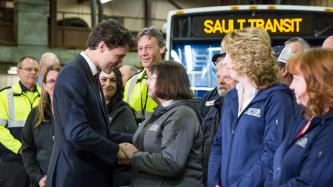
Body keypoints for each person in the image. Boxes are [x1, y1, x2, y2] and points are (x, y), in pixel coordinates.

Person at [46, 19, 134, 187]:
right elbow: (77, 132)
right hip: (75, 178)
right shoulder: (73, 74)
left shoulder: (90, 75)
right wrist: (117, 151)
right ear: (102, 46)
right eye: (119, 56)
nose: (120, 63)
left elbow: (99, 130)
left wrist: (138, 138)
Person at [208, 28, 295, 187]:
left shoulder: (277, 99)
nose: (225, 62)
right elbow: (218, 144)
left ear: (247, 57)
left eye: (229, 55)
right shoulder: (231, 97)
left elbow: (273, 153)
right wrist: (213, 182)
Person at [120, 61, 204, 187]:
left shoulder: (182, 115)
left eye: (152, 78)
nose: (147, 82)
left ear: (168, 81)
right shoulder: (161, 111)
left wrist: (134, 156)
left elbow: (172, 163)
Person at [272, 48, 333, 186]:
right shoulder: (307, 120)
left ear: (317, 82)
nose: (292, 86)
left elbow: (311, 182)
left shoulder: (329, 130)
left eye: (297, 79)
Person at [0, 56, 41, 187]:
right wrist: (20, 148)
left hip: (39, 162)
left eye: (36, 69)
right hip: (13, 161)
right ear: (18, 72)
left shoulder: (46, 96)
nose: (33, 73)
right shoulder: (5, 96)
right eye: (28, 69)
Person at [21, 65, 61, 187]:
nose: (56, 84)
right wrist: (37, 177)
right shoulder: (35, 115)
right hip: (43, 181)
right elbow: (27, 150)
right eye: (51, 81)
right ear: (44, 85)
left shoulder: (75, 113)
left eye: (59, 80)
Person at [201, 58, 237, 186]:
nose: (221, 81)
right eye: (218, 77)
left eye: (227, 77)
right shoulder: (214, 106)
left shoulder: (243, 108)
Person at [123, 27, 166, 123]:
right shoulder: (131, 83)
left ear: (162, 48)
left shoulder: (173, 80)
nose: (143, 53)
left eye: (148, 47)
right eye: (140, 48)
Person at [99, 68, 137, 134]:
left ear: (118, 85)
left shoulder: (124, 111)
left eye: (113, 80)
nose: (108, 84)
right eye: (104, 80)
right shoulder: (89, 107)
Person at [198, 52, 226, 118]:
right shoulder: (207, 97)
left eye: (226, 76)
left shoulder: (241, 97)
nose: (221, 82)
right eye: (218, 76)